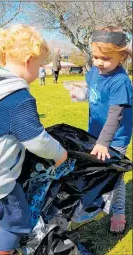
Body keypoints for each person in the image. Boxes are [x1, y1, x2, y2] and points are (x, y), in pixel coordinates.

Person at [0, 24, 67, 255]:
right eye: (41, 64)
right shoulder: (17, 97)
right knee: (17, 222)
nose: (40, 69)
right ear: (28, 60)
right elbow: (37, 141)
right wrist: (60, 154)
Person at [85, 26, 132, 234]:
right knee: (97, 172)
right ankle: (97, 203)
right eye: (95, 57)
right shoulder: (95, 70)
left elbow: (116, 114)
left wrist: (104, 142)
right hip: (95, 133)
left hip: (115, 138)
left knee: (115, 175)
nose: (98, 63)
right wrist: (80, 93)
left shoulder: (120, 81)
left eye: (105, 58)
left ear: (120, 57)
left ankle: (119, 212)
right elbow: (92, 90)